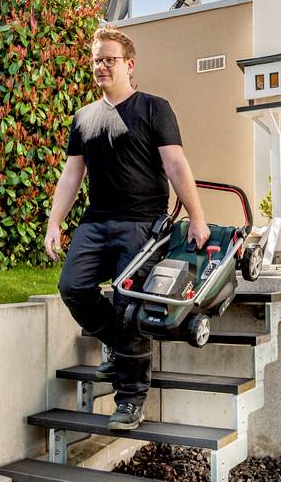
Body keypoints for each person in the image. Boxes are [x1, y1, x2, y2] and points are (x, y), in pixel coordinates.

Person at [44, 27, 209, 430]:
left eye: (110, 59)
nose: (101, 66)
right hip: (96, 222)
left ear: (129, 64)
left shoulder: (154, 108)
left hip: (143, 225)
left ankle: (130, 401)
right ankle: (118, 346)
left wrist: (197, 215)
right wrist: (54, 222)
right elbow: (72, 175)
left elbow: (175, 164)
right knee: (73, 287)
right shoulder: (84, 117)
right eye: (97, 60)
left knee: (128, 305)